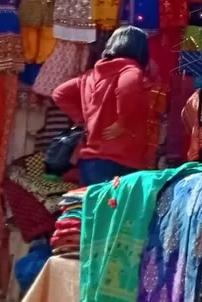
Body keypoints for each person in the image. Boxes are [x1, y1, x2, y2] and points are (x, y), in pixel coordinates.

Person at [52, 26, 155, 185]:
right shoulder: (130, 70)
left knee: (92, 208)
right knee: (118, 209)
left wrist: (83, 119)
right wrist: (122, 121)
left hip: (91, 160)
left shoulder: (90, 75)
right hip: (121, 159)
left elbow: (59, 93)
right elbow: (127, 88)